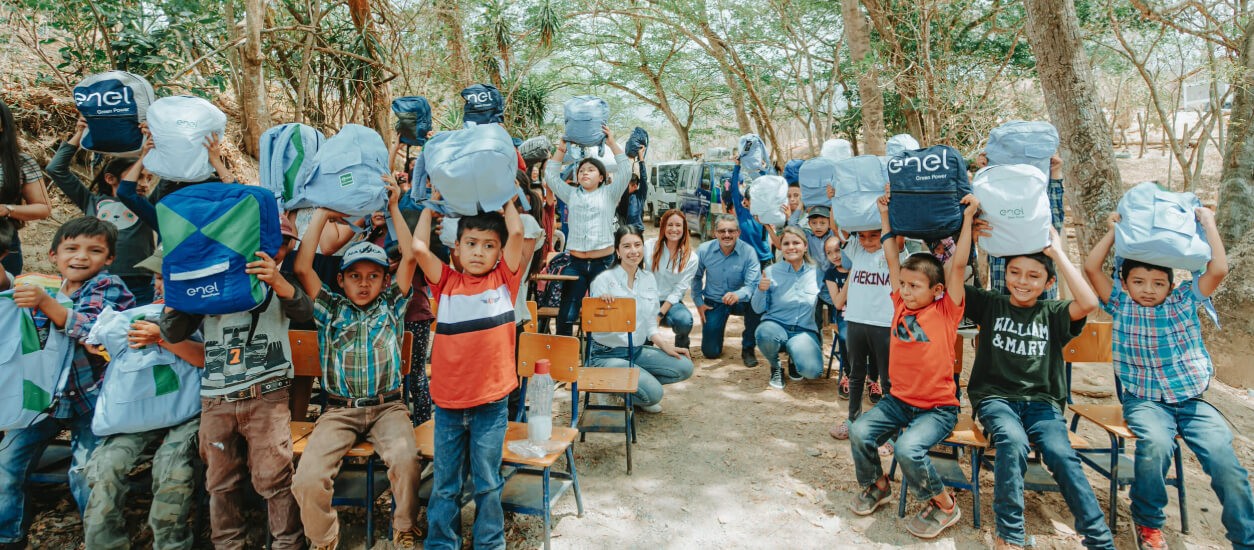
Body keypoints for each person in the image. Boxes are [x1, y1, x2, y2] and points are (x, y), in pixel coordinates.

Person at [1084, 210, 1253, 549]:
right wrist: (1116, 233)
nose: (1148, 290)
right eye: (1139, 282)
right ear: (1125, 282)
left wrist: (1208, 223)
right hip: (1145, 402)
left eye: (1158, 283)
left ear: (1171, 285)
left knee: (1224, 461)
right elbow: (1091, 268)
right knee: (1156, 447)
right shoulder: (1119, 303)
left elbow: (1218, 269)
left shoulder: (1184, 300)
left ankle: (1245, 538)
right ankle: (1148, 523)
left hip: (1191, 403)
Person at [159, 212, 311, 549]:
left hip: (267, 395)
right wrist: (178, 290)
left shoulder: (282, 284)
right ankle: (228, 543)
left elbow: (304, 312)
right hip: (217, 397)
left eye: (283, 244)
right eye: (267, 243)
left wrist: (278, 282)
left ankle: (288, 542)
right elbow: (173, 330)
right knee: (220, 479)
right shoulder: (211, 284)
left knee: (274, 476)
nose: (276, 250)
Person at [290, 176, 422, 549]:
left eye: (373, 276)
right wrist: (322, 214)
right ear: (342, 280)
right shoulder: (331, 308)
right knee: (307, 478)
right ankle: (324, 538)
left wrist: (394, 206)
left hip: (388, 408)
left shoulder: (392, 304)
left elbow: (410, 256)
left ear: (384, 280)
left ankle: (404, 527)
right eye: (355, 277)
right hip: (339, 412)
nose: (364, 284)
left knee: (407, 460)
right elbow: (303, 268)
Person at [966, 223, 1114, 550]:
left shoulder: (1054, 312)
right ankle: (1010, 535)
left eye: (1034, 276)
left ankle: (1100, 540)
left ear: (1048, 283)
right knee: (1013, 441)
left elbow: (1088, 302)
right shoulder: (992, 305)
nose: (1022, 281)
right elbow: (953, 283)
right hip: (997, 400)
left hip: (1042, 404)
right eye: (1015, 272)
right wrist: (971, 235)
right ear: (1005, 275)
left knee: (1061, 453)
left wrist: (1057, 253)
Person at [847, 190, 977, 539]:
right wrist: (885, 218)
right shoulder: (900, 304)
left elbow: (960, 265)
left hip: (937, 408)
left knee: (907, 448)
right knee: (860, 431)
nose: (905, 290)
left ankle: (944, 504)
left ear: (936, 289)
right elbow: (892, 256)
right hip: (899, 401)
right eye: (903, 284)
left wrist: (967, 220)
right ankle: (878, 484)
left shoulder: (946, 309)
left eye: (914, 286)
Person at [0, 217, 134, 548]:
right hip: (44, 400)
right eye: (71, 248)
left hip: (92, 400)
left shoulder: (110, 287)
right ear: (53, 255)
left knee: (86, 474)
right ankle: (8, 534)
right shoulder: (43, 287)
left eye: (95, 250)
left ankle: (99, 540)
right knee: (6, 463)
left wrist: (46, 305)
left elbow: (93, 330)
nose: (81, 256)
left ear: (110, 259)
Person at [412, 190, 525, 549]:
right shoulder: (445, 283)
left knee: (488, 480)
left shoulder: (504, 281)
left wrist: (505, 197)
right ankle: (441, 542)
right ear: (456, 249)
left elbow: (518, 234)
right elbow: (417, 248)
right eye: (471, 243)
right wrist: (430, 207)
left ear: (499, 252)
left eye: (489, 245)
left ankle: (489, 542)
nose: (479, 251)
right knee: (446, 483)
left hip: (490, 406)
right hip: (447, 405)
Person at [82, 246, 202, 550]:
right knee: (106, 467)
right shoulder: (136, 315)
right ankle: (104, 544)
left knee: (173, 468)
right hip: (135, 414)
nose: (160, 284)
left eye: (167, 277)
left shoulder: (204, 314)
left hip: (187, 412)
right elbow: (97, 342)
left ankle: (171, 543)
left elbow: (206, 358)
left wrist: (161, 338)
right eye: (158, 277)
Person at [45, 117, 157, 303]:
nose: (144, 184)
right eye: (138, 176)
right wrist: (80, 134)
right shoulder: (91, 201)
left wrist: (154, 139)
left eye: (148, 178)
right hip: (95, 280)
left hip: (139, 281)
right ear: (110, 178)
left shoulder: (147, 204)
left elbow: (172, 176)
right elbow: (56, 169)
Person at [589, 227, 694, 413]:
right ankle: (610, 387)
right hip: (607, 355)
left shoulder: (648, 280)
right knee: (655, 394)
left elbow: (650, 325)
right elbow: (594, 323)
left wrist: (666, 347)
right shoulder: (603, 281)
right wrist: (603, 306)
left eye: (637, 245)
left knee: (684, 366)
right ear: (617, 251)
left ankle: (632, 390)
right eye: (626, 246)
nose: (633, 251)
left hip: (635, 352)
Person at [544, 125, 631, 336]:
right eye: (581, 170)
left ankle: (601, 354)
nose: (585, 172)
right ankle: (564, 359)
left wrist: (611, 142)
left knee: (604, 312)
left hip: (604, 264)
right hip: (575, 263)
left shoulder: (610, 193)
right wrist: (562, 149)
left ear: (601, 177)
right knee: (566, 314)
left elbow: (626, 170)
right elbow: (551, 176)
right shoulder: (571, 194)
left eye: (591, 170)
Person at [830, 224, 902, 439]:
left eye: (874, 235)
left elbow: (897, 239)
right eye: (862, 236)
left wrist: (886, 218)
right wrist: (834, 194)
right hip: (855, 320)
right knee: (855, 375)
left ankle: (890, 430)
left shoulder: (893, 252)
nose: (867, 240)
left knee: (887, 379)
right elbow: (837, 227)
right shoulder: (856, 251)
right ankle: (852, 420)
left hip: (884, 323)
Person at [752, 226, 824, 389]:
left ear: (805, 246)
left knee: (813, 371)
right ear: (781, 247)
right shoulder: (770, 271)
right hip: (776, 326)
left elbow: (830, 296)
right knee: (764, 334)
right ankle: (775, 366)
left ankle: (794, 357)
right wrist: (760, 290)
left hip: (804, 330)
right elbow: (757, 309)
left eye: (796, 243)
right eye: (786, 243)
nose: (791, 247)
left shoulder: (817, 272)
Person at [987, 154, 1065, 297]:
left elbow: (1054, 218)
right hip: (1005, 298)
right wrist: (988, 172)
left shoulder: (1040, 219)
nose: (1022, 281)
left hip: (1039, 301)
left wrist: (1055, 173)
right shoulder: (998, 225)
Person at [692, 214, 763, 366]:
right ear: (715, 232)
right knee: (711, 352)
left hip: (741, 301)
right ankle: (715, 338)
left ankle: (748, 348)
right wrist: (699, 302)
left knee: (758, 302)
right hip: (714, 301)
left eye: (731, 231)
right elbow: (695, 277)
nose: (727, 235)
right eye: (722, 231)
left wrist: (738, 294)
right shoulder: (704, 250)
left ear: (738, 233)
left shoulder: (749, 252)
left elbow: (753, 285)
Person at [0, 99, 53, 274]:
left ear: (2, 125)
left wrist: (7, 209)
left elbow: (43, 208)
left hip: (3, 243)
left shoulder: (20, 162)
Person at [644, 209, 699, 350]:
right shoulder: (649, 246)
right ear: (663, 227)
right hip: (648, 300)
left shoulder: (691, 257)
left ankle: (682, 348)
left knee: (684, 321)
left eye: (678, 225)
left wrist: (659, 314)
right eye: (670, 225)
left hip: (671, 303)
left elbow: (678, 291)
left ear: (684, 228)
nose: (674, 229)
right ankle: (645, 349)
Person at [724, 164, 774, 267]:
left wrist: (762, 170)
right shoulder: (741, 211)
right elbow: (734, 189)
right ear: (746, 200)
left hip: (764, 259)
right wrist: (737, 166)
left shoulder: (764, 211)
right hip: (746, 260)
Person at [822, 236, 852, 399]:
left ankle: (872, 377)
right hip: (844, 314)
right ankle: (848, 375)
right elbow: (838, 303)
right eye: (829, 253)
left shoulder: (859, 267)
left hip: (864, 314)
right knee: (845, 337)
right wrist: (850, 277)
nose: (835, 255)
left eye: (838, 250)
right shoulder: (831, 274)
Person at [804, 206, 836, 330]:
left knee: (836, 320)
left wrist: (831, 208)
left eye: (823, 223)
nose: (818, 226)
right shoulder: (807, 237)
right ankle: (816, 345)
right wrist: (802, 206)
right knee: (815, 321)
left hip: (833, 286)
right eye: (814, 223)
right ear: (809, 224)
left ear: (829, 223)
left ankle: (839, 348)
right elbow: (792, 224)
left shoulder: (833, 234)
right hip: (815, 286)